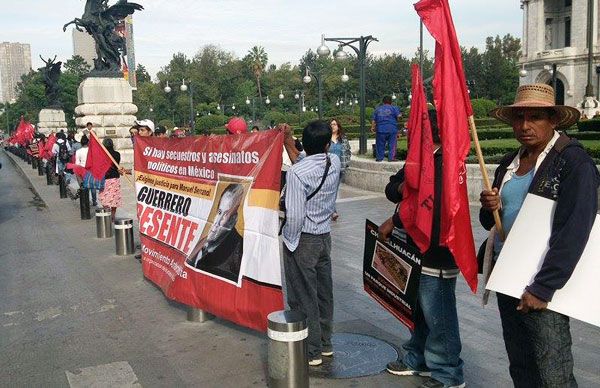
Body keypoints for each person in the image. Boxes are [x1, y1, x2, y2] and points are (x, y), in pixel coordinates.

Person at [480, 83, 599, 387]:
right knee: (521, 366)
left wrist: (543, 288)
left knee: (553, 373)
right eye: (519, 118)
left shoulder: (573, 163)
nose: (525, 126)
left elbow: (575, 231)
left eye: (535, 118)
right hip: (509, 277)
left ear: (554, 120)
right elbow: (491, 221)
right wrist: (489, 206)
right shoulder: (509, 162)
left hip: (543, 285)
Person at [379, 109, 465, 388]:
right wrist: (406, 185)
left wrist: (394, 219)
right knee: (418, 309)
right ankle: (418, 358)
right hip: (413, 246)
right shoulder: (419, 159)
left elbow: (431, 205)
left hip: (437, 249)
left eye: (414, 127)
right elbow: (392, 188)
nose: (407, 131)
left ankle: (448, 372)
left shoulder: (447, 162)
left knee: (439, 313)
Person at [282, 120, 341, 366]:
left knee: (304, 294)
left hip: (303, 238)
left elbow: (295, 215)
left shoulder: (297, 173)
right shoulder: (334, 162)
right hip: (324, 236)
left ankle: (312, 350)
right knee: (323, 292)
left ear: (303, 143)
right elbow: (308, 158)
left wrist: (290, 240)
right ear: (328, 144)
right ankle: (326, 343)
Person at [186, 183, 246, 282]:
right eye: (219, 212)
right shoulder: (203, 242)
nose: (217, 222)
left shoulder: (238, 251)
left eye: (225, 215)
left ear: (233, 220)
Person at [328, 118, 351, 221]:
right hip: (328, 169)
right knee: (329, 189)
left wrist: (346, 164)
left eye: (335, 124)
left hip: (339, 169)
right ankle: (332, 210)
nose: (333, 126)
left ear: (338, 127)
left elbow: (348, 152)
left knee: (334, 190)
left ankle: (332, 210)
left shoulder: (343, 139)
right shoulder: (326, 139)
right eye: (331, 124)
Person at [98, 138, 123, 221]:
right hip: (115, 178)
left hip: (105, 178)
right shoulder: (117, 154)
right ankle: (113, 215)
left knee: (104, 197)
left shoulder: (101, 155)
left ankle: (107, 213)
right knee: (114, 197)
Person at [371, 96, 402, 161]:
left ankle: (379, 158)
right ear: (391, 101)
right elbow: (399, 117)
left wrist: (373, 127)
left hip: (380, 129)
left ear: (383, 102)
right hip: (392, 128)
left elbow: (373, 120)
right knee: (392, 144)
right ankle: (391, 158)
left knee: (380, 144)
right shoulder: (394, 108)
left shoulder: (377, 109)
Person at [75, 135, 97, 206]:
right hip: (91, 169)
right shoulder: (91, 150)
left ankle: (86, 200)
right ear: (88, 143)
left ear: (81, 143)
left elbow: (77, 163)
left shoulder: (78, 151)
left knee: (85, 186)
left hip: (83, 170)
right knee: (93, 186)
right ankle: (94, 201)